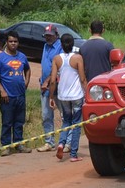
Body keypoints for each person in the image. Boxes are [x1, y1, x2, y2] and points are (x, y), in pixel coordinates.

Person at [49, 33, 88, 162]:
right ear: (73, 45)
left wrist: (51, 96)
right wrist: (87, 92)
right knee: (76, 124)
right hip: (76, 95)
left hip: (63, 96)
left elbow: (53, 80)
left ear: (61, 45)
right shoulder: (78, 58)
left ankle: (61, 143)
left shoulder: (56, 59)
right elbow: (82, 78)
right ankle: (73, 154)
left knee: (66, 121)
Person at [0, 33, 31, 154]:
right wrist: (2, 90)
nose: (13, 44)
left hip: (20, 95)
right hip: (7, 96)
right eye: (11, 41)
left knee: (19, 121)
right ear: (6, 43)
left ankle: (19, 144)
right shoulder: (0, 58)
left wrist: (26, 82)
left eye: (16, 41)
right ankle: (6, 146)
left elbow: (27, 69)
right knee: (7, 122)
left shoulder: (22, 56)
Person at [36, 24, 60, 152]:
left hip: (58, 86)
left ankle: (65, 142)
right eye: (46, 36)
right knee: (46, 115)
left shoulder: (60, 47)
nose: (48, 38)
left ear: (56, 35)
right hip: (45, 87)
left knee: (64, 115)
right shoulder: (45, 46)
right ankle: (49, 142)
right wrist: (43, 80)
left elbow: (59, 68)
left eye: (50, 36)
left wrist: (47, 80)